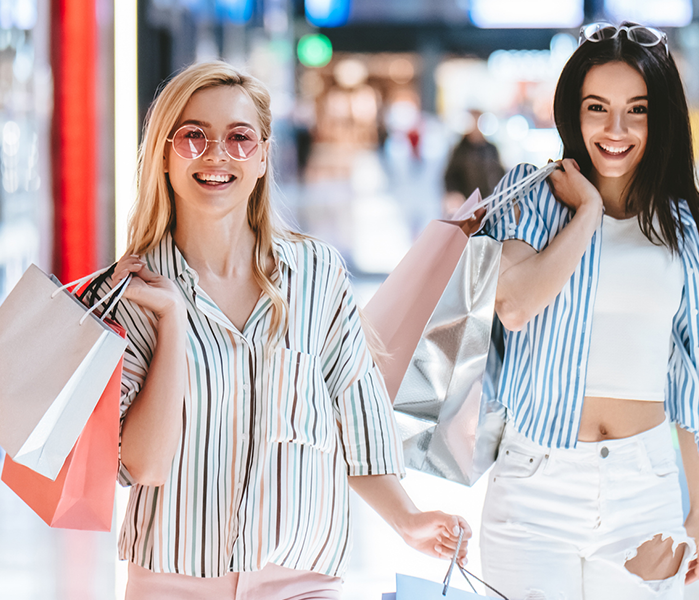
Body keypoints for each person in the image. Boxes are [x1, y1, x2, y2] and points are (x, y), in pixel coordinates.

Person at [101, 60, 470, 600]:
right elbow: (140, 465)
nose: (217, 154)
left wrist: (409, 520)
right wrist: (173, 322)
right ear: (163, 154)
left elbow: (358, 424)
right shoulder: (133, 294)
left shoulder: (318, 275)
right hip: (171, 581)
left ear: (263, 156)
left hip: (304, 581)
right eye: (193, 136)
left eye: (239, 137)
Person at [479, 22, 699, 599]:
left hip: (641, 486)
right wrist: (589, 214)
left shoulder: (695, 234)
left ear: (662, 117)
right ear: (573, 112)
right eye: (597, 107)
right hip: (532, 484)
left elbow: (695, 378)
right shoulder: (531, 195)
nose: (615, 129)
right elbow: (516, 305)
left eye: (637, 110)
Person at [443, 109, 506, 215]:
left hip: (489, 203)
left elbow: (499, 173)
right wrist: (454, 196)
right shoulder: (460, 150)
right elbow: (451, 177)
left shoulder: (490, 149)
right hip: (466, 205)